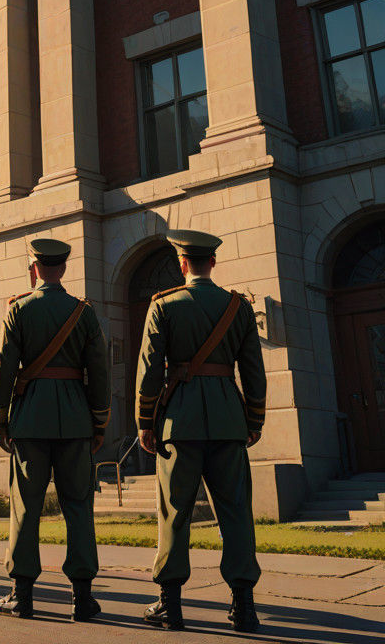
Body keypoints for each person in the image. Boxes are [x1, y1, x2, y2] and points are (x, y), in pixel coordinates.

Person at [136, 229, 267, 634]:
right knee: (236, 513)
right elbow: (253, 371)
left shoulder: (164, 305)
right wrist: (254, 420)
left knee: (175, 513)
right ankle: (244, 607)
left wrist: (145, 422)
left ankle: (170, 605)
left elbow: (149, 372)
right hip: (229, 421)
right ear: (213, 262)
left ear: (182, 264)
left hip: (179, 421)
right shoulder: (238, 307)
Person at [0, 238, 110, 621]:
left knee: (26, 507)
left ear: (35, 268)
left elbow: (4, 369)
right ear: (64, 269)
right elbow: (100, 373)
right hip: (76, 421)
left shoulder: (19, 309)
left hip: (28, 421)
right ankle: (82, 598)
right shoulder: (83, 312)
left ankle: (22, 595)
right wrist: (99, 420)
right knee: (78, 506)